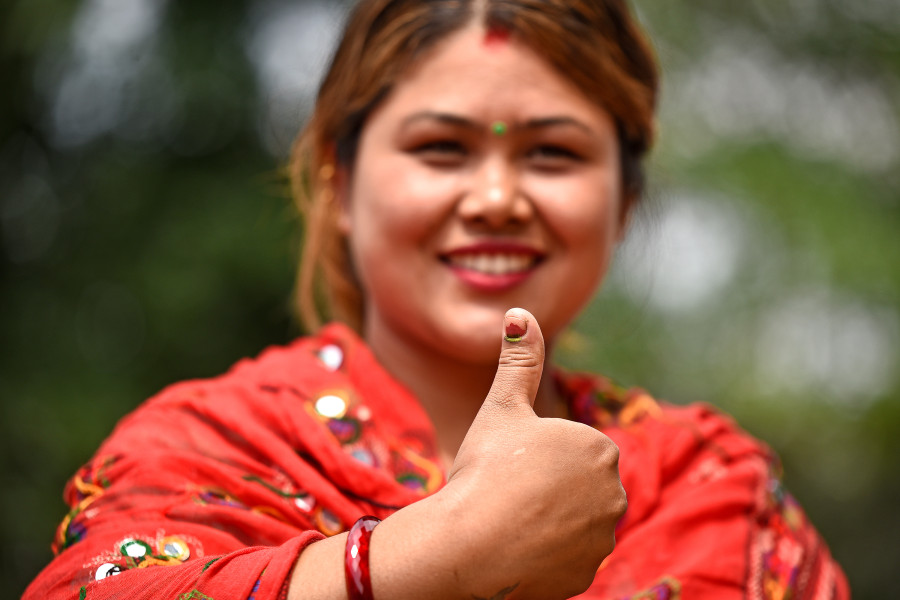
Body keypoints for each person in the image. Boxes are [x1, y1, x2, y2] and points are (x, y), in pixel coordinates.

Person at [25, 1, 849, 599]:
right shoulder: (213, 446)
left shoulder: (708, 490)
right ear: (340, 187)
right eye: (440, 148)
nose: (496, 196)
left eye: (553, 153)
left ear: (624, 203)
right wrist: (434, 554)